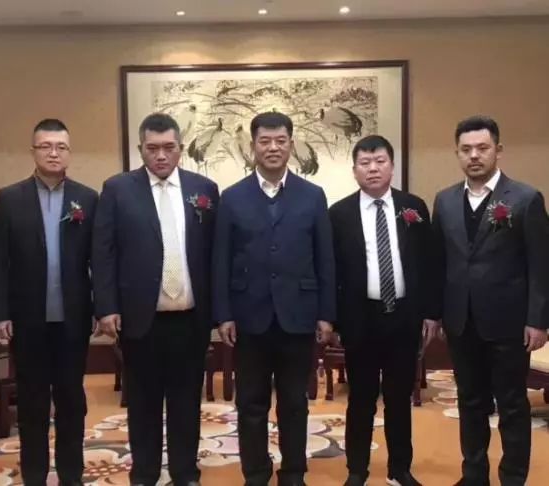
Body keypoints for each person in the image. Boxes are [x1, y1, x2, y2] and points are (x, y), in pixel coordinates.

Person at [92, 113, 219, 486]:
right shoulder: (118, 189)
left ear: (180, 148)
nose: (161, 156)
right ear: (140, 149)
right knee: (143, 404)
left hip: (190, 319)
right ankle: (144, 473)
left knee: (186, 403)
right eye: (152, 148)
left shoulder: (204, 189)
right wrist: (106, 306)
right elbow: (103, 252)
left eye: (168, 147)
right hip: (140, 319)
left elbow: (216, 252)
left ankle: (185, 473)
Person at [212, 111, 335, 486]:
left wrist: (326, 314)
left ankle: (293, 473)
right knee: (251, 403)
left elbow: (325, 259)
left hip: (298, 315)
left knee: (295, 402)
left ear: (291, 145)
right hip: (249, 317)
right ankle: (256, 472)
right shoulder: (232, 198)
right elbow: (220, 259)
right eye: (264, 141)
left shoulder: (312, 196)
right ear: (253, 146)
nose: (273, 148)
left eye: (280, 141)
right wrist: (223, 314)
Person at [432, 115, 549, 486]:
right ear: (457, 153)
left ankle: (512, 477)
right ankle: (474, 475)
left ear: (498, 150)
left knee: (512, 404)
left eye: (482, 148)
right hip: (461, 321)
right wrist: (437, 313)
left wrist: (538, 320)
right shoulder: (445, 200)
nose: (474, 156)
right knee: (470, 401)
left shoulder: (525, 199)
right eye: (466, 149)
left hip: (509, 323)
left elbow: (541, 265)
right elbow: (440, 262)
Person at [0, 118, 98, 485]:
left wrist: (99, 308)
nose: (54, 153)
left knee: (71, 402)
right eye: (46, 146)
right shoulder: (10, 198)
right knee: (33, 403)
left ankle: (72, 475)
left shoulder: (87, 199)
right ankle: (34, 476)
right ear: (33, 151)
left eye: (61, 147)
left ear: (69, 152)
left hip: (73, 319)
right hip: (27, 319)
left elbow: (98, 260)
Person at [329, 135, 438, 486]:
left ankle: (399, 468)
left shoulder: (413, 207)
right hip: (360, 319)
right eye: (365, 163)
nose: (373, 169)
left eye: (380, 161)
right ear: (355, 170)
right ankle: (356, 470)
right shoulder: (339, 214)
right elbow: (331, 271)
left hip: (404, 317)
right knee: (361, 398)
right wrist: (334, 321)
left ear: (392, 166)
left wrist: (431, 312)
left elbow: (429, 263)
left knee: (399, 398)